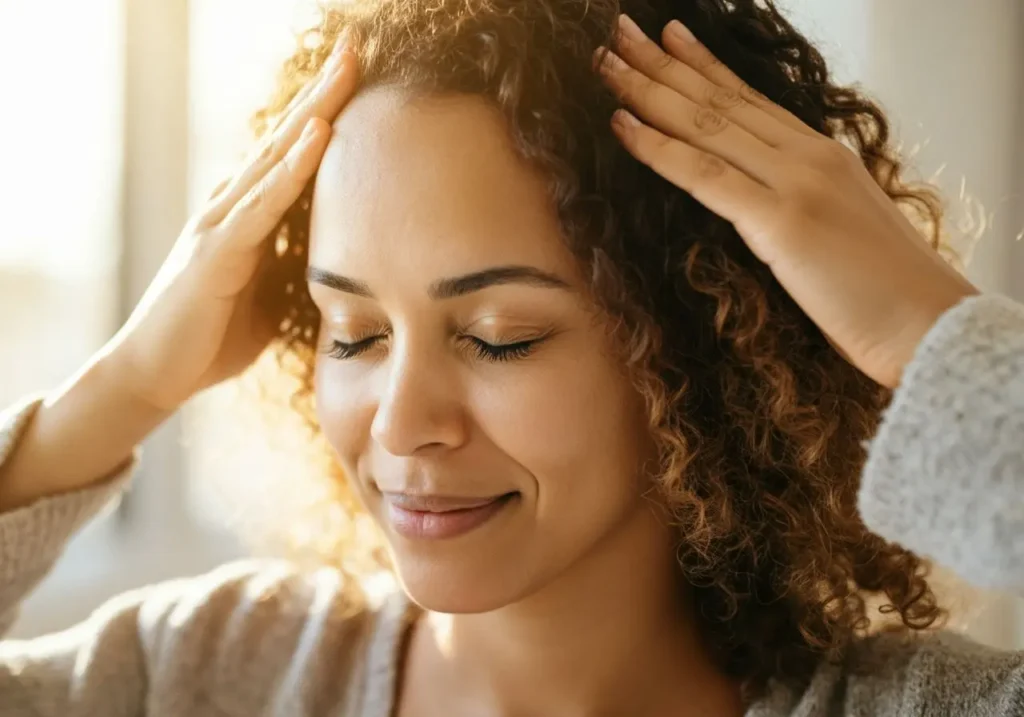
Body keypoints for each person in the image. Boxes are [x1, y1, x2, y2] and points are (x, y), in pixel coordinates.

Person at [1, 0, 1022, 715]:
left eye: (499, 338)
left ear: (704, 350)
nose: (401, 423)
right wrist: (122, 390)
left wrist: (925, 334)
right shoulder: (203, 676)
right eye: (351, 334)